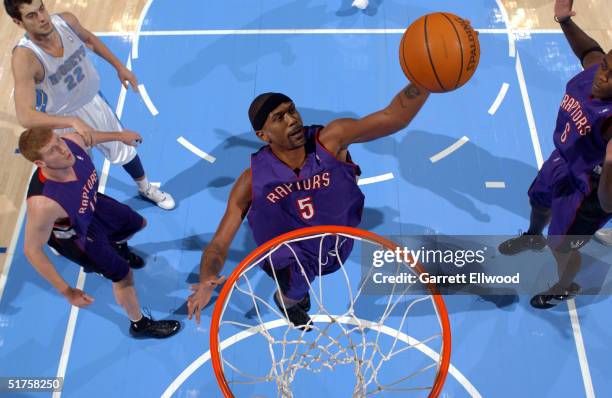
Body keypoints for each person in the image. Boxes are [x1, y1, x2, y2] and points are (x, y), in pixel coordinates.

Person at [186, 81, 430, 327]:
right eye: (279, 117)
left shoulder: (332, 140)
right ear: (263, 135)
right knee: (295, 277)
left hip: (337, 241)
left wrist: (425, 81)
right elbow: (218, 245)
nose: (292, 119)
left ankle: (295, 292)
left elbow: (394, 117)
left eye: (292, 110)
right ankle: (287, 300)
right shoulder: (251, 180)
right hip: (289, 253)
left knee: (324, 263)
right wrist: (207, 278)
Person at [6, 0, 175, 210]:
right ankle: (88, 214)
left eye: (41, 9)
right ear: (18, 22)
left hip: (93, 103)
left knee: (125, 150)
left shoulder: (65, 21)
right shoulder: (25, 57)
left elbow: (89, 39)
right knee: (81, 174)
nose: (42, 18)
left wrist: (119, 66)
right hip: (61, 121)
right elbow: (25, 116)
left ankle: (145, 187)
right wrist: (72, 121)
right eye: (31, 15)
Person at [498, 0, 612, 308]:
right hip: (564, 161)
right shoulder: (596, 71)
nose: (603, 75)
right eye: (606, 67)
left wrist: (602, 203)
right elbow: (589, 52)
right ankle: (533, 236)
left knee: (561, 247)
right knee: (537, 199)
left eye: (611, 75)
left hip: (588, 190)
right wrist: (564, 22)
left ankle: (564, 286)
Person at [21, 126, 181, 338]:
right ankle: (139, 324)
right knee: (123, 275)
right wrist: (67, 291)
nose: (62, 149)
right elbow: (32, 250)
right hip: (78, 235)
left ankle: (117, 248)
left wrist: (120, 136)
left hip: (91, 205)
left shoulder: (71, 142)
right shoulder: (43, 204)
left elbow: (91, 137)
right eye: (52, 150)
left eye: (57, 141)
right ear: (40, 163)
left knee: (137, 223)